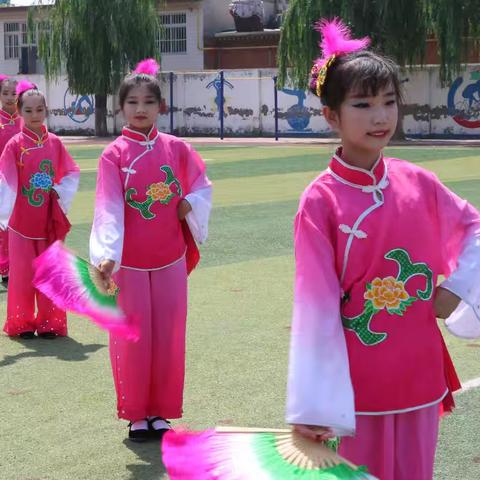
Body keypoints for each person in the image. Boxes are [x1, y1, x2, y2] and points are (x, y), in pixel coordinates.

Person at [286, 18, 480, 480]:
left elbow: (475, 226)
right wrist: (313, 402)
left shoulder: (420, 183)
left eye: (389, 102)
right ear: (331, 115)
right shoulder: (321, 200)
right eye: (363, 104)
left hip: (419, 371)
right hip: (354, 386)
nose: (380, 117)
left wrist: (457, 287)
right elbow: (313, 307)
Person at [89, 59, 212, 442]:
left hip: (170, 257)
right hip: (130, 263)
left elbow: (202, 186)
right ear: (120, 107)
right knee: (132, 335)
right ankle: (136, 413)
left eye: (148, 102)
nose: (140, 109)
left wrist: (190, 202)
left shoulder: (178, 149)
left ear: (161, 107)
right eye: (132, 102)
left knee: (170, 333)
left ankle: (161, 412)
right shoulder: (114, 155)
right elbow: (108, 206)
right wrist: (108, 253)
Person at [0, 80, 80, 339]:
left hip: (47, 221)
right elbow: (6, 178)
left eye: (39, 110)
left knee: (50, 273)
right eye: (28, 111)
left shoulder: (55, 143)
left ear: (46, 111)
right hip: (21, 222)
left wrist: (58, 191)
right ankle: (21, 322)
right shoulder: (15, 144)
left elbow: (70, 173)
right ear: (20, 112)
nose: (34, 116)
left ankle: (51, 322)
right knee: (22, 275)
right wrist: (5, 212)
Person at [0, 76, 22, 285]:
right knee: (2, 227)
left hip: (22, 182)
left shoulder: (25, 119)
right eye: (5, 93)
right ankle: (5, 268)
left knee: (16, 226)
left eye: (13, 93)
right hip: (2, 182)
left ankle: (15, 265)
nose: (9, 97)